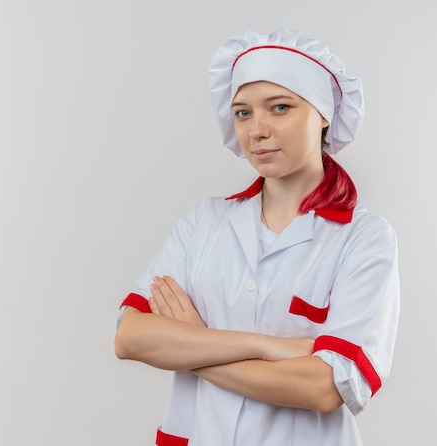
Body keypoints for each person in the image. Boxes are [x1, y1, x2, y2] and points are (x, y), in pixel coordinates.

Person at [114, 28, 400, 446]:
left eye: (279, 107)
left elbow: (323, 388)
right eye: (243, 113)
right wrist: (266, 346)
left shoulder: (364, 238)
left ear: (323, 114)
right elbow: (131, 337)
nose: (256, 130)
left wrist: (194, 344)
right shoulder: (205, 222)